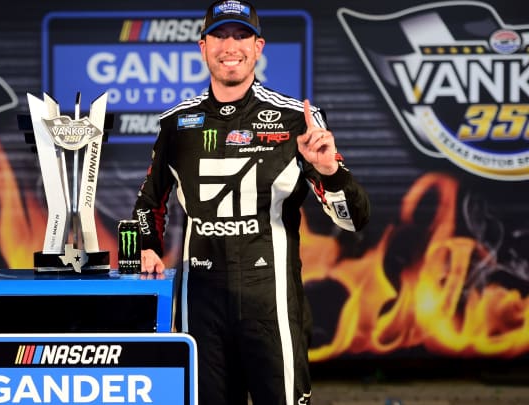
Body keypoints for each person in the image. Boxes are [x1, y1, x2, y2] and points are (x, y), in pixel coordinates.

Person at [132, 1, 370, 404]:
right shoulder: (175, 124)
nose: (230, 45)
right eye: (220, 35)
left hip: (271, 306)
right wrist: (147, 247)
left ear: (258, 47)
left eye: (241, 35)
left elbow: (354, 220)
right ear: (202, 47)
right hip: (199, 309)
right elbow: (147, 203)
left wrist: (331, 171)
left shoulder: (299, 120)